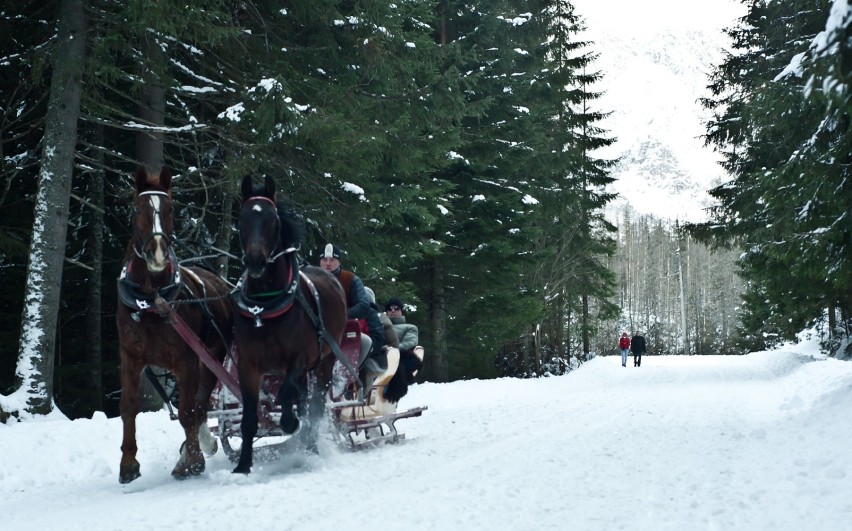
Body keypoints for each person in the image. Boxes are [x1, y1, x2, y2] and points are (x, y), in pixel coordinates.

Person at [318, 243, 386, 373]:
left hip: (343, 331)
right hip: (312, 330)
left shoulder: (350, 279)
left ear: (339, 261)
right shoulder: (309, 278)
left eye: (332, 259)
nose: (327, 263)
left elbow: (363, 305)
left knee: (365, 342)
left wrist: (338, 318)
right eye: (324, 259)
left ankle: (350, 374)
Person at [384, 297, 422, 384]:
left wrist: (391, 349)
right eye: (390, 308)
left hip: (397, 356)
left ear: (401, 311)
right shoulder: (379, 326)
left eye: (396, 308)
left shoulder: (410, 327)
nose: (393, 311)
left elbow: (410, 343)